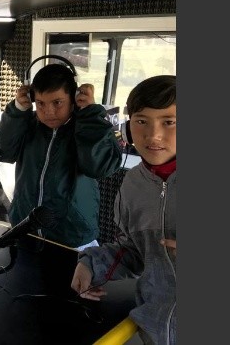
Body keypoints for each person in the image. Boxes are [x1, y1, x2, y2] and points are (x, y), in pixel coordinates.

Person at [71, 75, 176, 345]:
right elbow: (133, 250)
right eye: (141, 121)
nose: (153, 135)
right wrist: (91, 265)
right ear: (128, 128)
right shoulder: (133, 184)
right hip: (155, 332)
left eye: (169, 122)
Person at [0, 63, 122, 249]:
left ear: (74, 98)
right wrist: (18, 111)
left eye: (57, 103)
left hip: (73, 235)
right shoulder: (26, 124)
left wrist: (90, 116)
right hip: (25, 228)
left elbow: (100, 168)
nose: (49, 112)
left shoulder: (87, 126)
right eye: (41, 104)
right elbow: (3, 154)